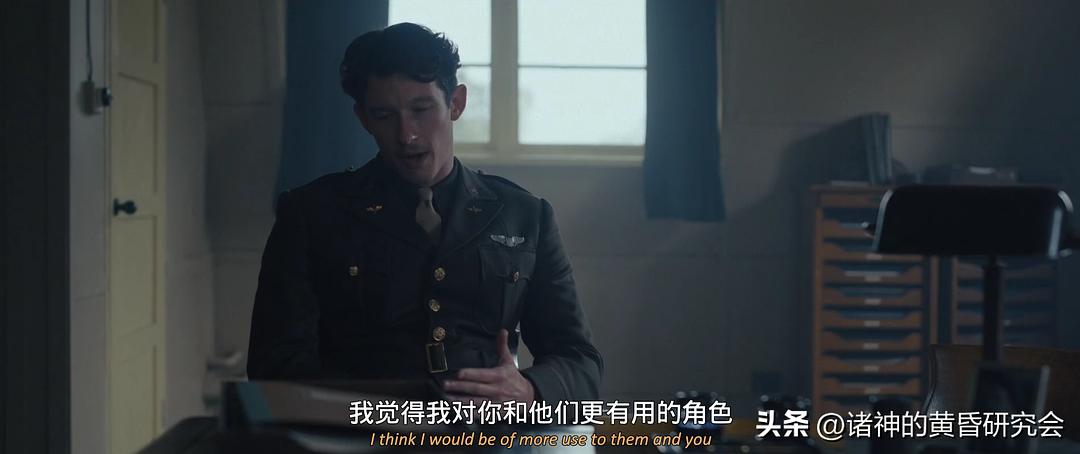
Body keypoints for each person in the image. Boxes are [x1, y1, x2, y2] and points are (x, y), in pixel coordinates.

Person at [246, 22, 602, 404]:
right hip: (361, 430)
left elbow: (580, 363)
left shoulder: (525, 215)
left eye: (421, 109)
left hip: (486, 432)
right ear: (363, 118)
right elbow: (275, 366)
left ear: (456, 103)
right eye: (385, 115)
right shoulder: (312, 214)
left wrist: (529, 389)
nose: (407, 135)